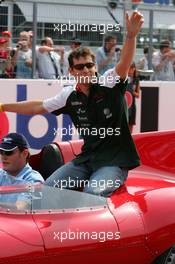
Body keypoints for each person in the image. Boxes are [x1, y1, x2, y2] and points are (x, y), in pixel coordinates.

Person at [0, 11, 144, 197]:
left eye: (89, 65)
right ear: (71, 71)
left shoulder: (108, 82)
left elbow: (124, 63)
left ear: (95, 67)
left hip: (114, 161)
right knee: (47, 190)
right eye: (79, 67)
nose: (85, 70)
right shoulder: (69, 94)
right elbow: (37, 107)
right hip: (86, 160)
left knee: (93, 192)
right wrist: (3, 106)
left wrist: (131, 36)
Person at [125, 62, 140, 133]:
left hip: (132, 106)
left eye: (132, 68)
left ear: (134, 69)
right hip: (124, 107)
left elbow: (138, 95)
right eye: (129, 68)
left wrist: (132, 91)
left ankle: (130, 142)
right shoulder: (122, 79)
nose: (130, 70)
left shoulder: (136, 80)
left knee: (131, 126)